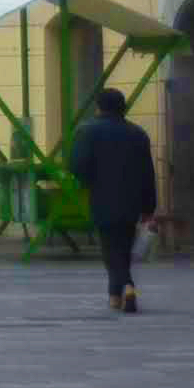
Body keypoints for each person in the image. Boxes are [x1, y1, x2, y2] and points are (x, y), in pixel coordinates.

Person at [67, 85, 158, 313]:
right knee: (123, 247)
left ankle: (127, 286)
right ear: (123, 107)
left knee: (110, 248)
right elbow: (148, 173)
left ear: (98, 108)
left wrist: (89, 179)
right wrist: (149, 206)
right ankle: (115, 296)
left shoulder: (87, 131)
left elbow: (76, 165)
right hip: (132, 201)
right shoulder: (138, 134)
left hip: (103, 197)